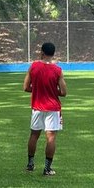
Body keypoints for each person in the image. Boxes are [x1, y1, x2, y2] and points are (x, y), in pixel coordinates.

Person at [23, 42, 67, 176]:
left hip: (37, 107)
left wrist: (37, 90)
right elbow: (64, 92)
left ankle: (30, 164)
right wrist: (52, 92)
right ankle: (47, 168)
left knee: (34, 135)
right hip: (53, 108)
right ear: (53, 53)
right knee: (51, 138)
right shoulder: (57, 70)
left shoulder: (34, 67)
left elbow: (25, 87)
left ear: (42, 52)